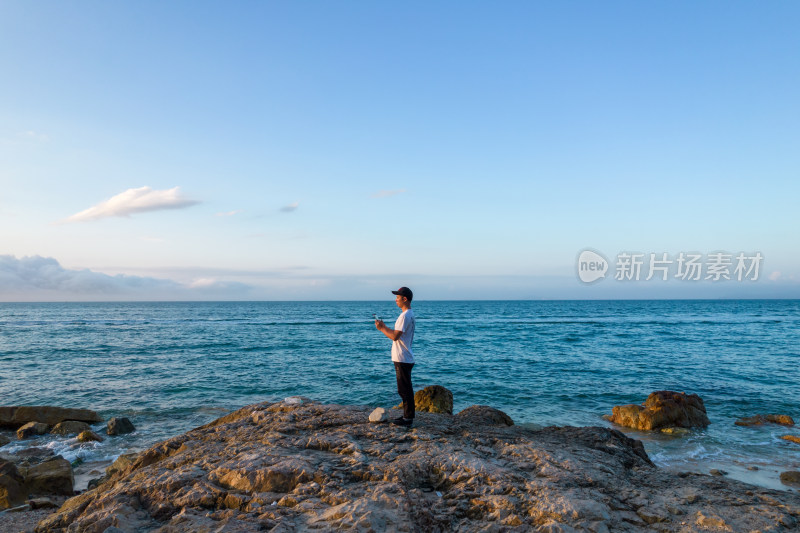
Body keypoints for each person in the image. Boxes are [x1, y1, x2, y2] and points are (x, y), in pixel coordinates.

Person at [375, 286, 416, 427]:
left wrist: (382, 328)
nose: (396, 300)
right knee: (405, 389)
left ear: (405, 299)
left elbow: (395, 336)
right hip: (405, 357)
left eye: (398, 297)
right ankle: (407, 416)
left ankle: (408, 418)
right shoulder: (409, 314)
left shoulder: (404, 316)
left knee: (404, 389)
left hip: (402, 357)